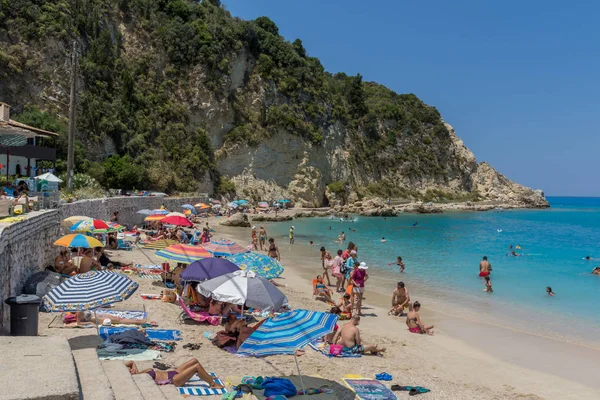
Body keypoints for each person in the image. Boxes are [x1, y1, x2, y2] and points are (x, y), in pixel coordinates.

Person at [125, 359, 223, 388]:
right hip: (174, 380)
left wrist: (126, 368)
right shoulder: (138, 378)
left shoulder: (137, 373)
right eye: (130, 371)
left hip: (172, 372)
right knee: (196, 367)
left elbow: (131, 362)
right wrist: (131, 374)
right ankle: (212, 384)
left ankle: (208, 377)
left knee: (194, 361)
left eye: (130, 369)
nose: (131, 370)